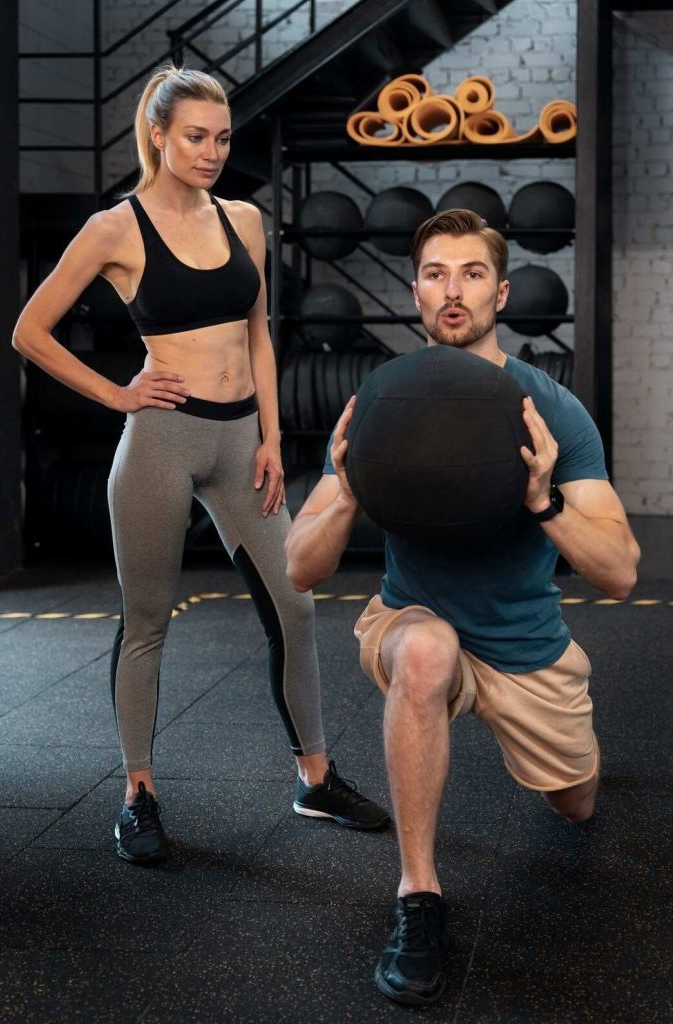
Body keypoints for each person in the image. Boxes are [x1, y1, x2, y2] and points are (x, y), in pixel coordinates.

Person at [12, 62, 389, 866]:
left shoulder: (243, 220)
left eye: (222, 137)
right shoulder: (114, 229)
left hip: (239, 441)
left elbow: (258, 333)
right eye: (195, 136)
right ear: (157, 134)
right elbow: (28, 331)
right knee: (148, 622)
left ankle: (314, 779)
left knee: (293, 607)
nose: (213, 150)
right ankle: (137, 795)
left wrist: (270, 436)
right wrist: (118, 396)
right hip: (162, 439)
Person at [285, 209, 640, 1007]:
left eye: (471, 274)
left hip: (522, 638)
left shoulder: (550, 408)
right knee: (423, 653)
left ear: (502, 291)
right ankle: (418, 896)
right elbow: (301, 568)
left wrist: (543, 502)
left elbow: (618, 572)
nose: (453, 291)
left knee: (575, 805)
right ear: (415, 291)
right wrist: (346, 488)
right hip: (415, 618)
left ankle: (568, 770)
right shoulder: (382, 404)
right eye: (437, 273)